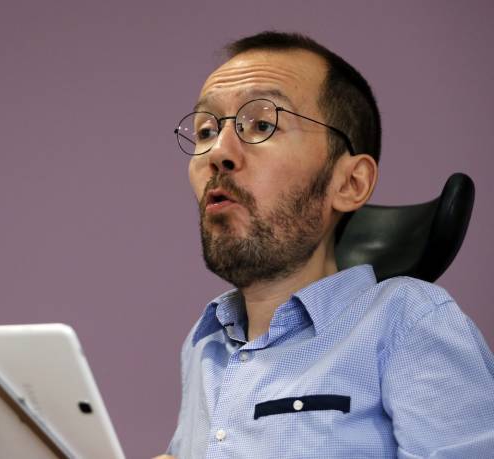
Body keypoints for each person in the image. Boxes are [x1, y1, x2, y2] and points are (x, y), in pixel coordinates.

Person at [158, 31, 494, 458]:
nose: (218, 152)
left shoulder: (408, 321)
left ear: (350, 183)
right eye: (206, 130)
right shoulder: (203, 344)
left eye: (262, 124)